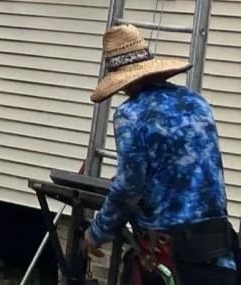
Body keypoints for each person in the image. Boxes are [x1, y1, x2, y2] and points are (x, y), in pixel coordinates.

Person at [82, 23, 239, 284]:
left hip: (171, 249)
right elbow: (185, 167)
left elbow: (129, 186)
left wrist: (97, 231)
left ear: (122, 82)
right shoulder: (196, 102)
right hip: (218, 243)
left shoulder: (131, 115)